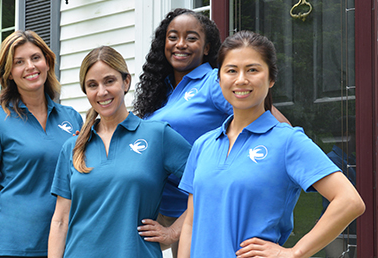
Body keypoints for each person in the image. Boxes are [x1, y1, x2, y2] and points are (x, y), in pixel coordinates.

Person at [177, 30, 365, 258]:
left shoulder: (287, 141)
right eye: (231, 70)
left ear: (271, 78)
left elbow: (349, 201)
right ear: (219, 79)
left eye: (253, 70)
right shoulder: (203, 145)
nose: (241, 80)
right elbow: (190, 223)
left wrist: (295, 252)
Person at [134, 8, 289, 257]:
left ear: (207, 48)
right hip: (160, 207)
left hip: (198, 213)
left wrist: (174, 231)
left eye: (192, 38)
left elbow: (276, 127)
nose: (180, 44)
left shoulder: (212, 82)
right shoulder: (159, 92)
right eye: (173, 36)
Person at [48, 46, 191, 258]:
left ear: (126, 82)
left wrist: (173, 232)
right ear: (86, 91)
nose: (102, 92)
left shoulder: (157, 136)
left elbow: (208, 184)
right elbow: (60, 220)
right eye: (92, 85)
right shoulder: (73, 146)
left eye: (109, 81)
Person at [0, 30, 83, 258]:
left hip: (67, 242)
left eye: (35, 58)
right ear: (10, 73)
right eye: (19, 62)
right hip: (15, 245)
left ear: (47, 62)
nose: (30, 67)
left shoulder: (72, 118)